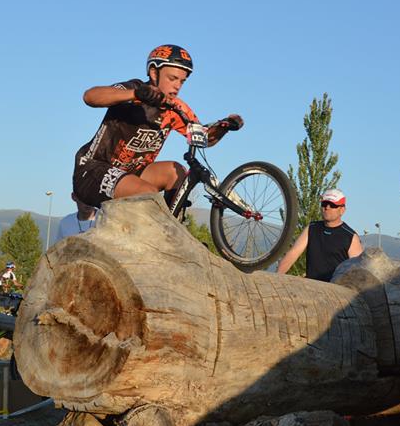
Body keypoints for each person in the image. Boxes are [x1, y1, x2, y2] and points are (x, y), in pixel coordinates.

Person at [73, 44, 243, 208]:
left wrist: (225, 127)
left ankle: (173, 226)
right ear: (154, 73)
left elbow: (204, 138)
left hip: (132, 174)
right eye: (172, 78)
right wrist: (133, 94)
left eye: (182, 81)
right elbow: (90, 96)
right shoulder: (135, 89)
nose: (177, 86)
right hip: (93, 171)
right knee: (147, 193)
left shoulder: (175, 107)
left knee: (177, 172)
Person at [276, 189, 363, 281]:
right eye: (324, 204)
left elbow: (358, 269)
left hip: (336, 290)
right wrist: (276, 277)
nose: (327, 208)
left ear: (342, 210)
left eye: (333, 205)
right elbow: (293, 253)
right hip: (311, 287)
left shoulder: (350, 236)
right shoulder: (312, 228)